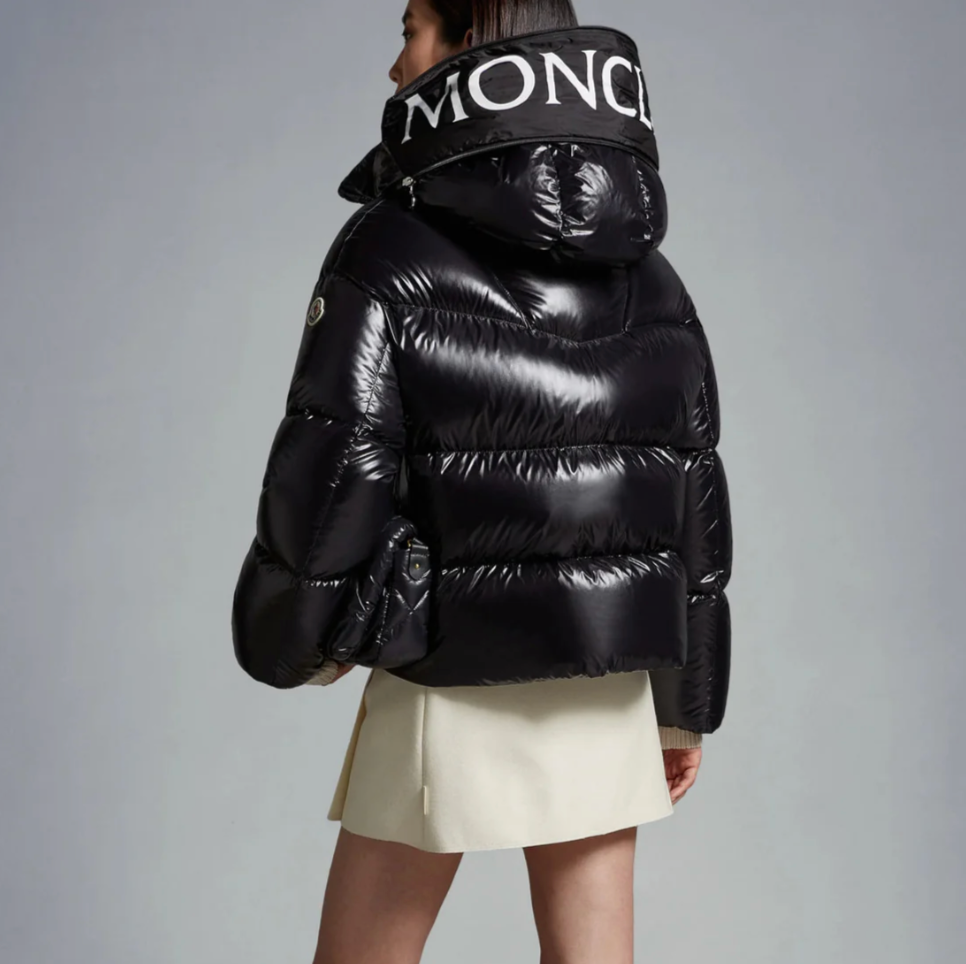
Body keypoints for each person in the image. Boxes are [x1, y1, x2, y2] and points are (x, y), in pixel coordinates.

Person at [230, 1, 733, 961]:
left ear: (473, 45)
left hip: (447, 658)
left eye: (411, 30)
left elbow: (335, 462)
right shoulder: (651, 271)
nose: (395, 67)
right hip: (606, 669)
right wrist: (682, 703)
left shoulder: (388, 245)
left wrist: (296, 636)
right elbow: (692, 493)